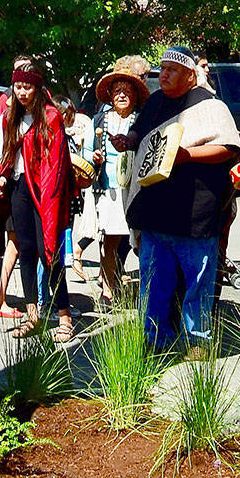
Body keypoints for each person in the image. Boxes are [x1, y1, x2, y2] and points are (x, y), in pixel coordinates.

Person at [121, 43, 240, 353]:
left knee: (197, 285)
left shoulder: (212, 106)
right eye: (162, 69)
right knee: (153, 284)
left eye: (172, 70)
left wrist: (187, 155)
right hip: (156, 213)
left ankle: (197, 342)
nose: (163, 75)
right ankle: (153, 340)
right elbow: (141, 132)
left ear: (190, 75)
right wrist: (128, 140)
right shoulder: (155, 102)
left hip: (195, 216)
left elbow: (228, 148)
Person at [0, 57, 73, 340]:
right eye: (18, 87)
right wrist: (2, 179)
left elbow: (55, 163)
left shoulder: (50, 117)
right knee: (25, 250)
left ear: (37, 89)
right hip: (19, 187)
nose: (22, 93)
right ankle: (32, 315)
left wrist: (48, 199)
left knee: (48, 253)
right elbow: (9, 156)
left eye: (27, 87)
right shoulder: (12, 117)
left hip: (45, 191)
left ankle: (64, 317)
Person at [91, 55, 148, 305]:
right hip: (109, 189)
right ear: (110, 96)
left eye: (127, 91)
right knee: (110, 242)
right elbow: (86, 154)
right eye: (117, 91)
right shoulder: (100, 120)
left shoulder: (142, 119)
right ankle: (108, 288)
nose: (122, 96)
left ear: (135, 96)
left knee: (141, 241)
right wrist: (94, 157)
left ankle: (148, 290)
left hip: (136, 189)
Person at [58, 96, 95, 283]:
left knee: (64, 243)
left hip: (70, 200)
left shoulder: (67, 137)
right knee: (56, 249)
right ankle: (47, 298)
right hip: (60, 200)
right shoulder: (57, 137)